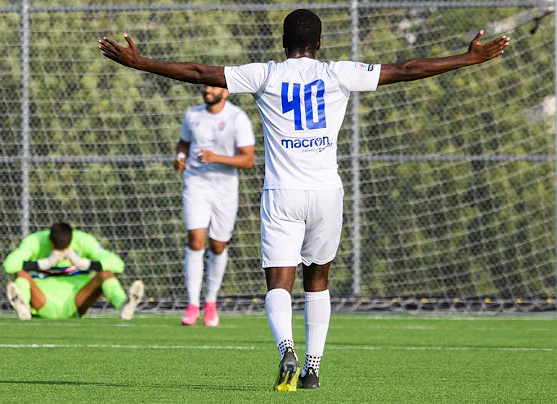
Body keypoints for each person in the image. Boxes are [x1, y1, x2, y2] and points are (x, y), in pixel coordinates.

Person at [98, 9, 510, 391]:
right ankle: (313, 368)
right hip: (327, 194)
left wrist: (142, 62)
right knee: (318, 281)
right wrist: (467, 58)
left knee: (279, 281)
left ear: (283, 41)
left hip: (283, 194)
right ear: (320, 43)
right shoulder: (339, 73)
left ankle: (285, 351)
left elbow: (198, 71)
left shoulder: (265, 75)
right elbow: (406, 69)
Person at [175, 85, 255, 327]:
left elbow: (248, 159)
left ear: (226, 92)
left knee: (218, 245)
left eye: (213, 86)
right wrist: (179, 159)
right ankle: (192, 304)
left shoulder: (237, 117)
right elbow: (183, 145)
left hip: (225, 189)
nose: (207, 89)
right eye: (205, 85)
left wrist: (216, 157)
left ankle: (211, 301)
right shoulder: (192, 115)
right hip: (197, 183)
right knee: (195, 239)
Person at [4, 222, 145, 320]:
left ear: (72, 240)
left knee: (106, 274)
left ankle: (124, 305)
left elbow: (118, 265)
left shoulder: (83, 240)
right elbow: (9, 266)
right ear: (49, 240)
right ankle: (23, 307)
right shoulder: (35, 241)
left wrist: (84, 263)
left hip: (75, 302)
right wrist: (44, 263)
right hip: (42, 302)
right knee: (21, 274)